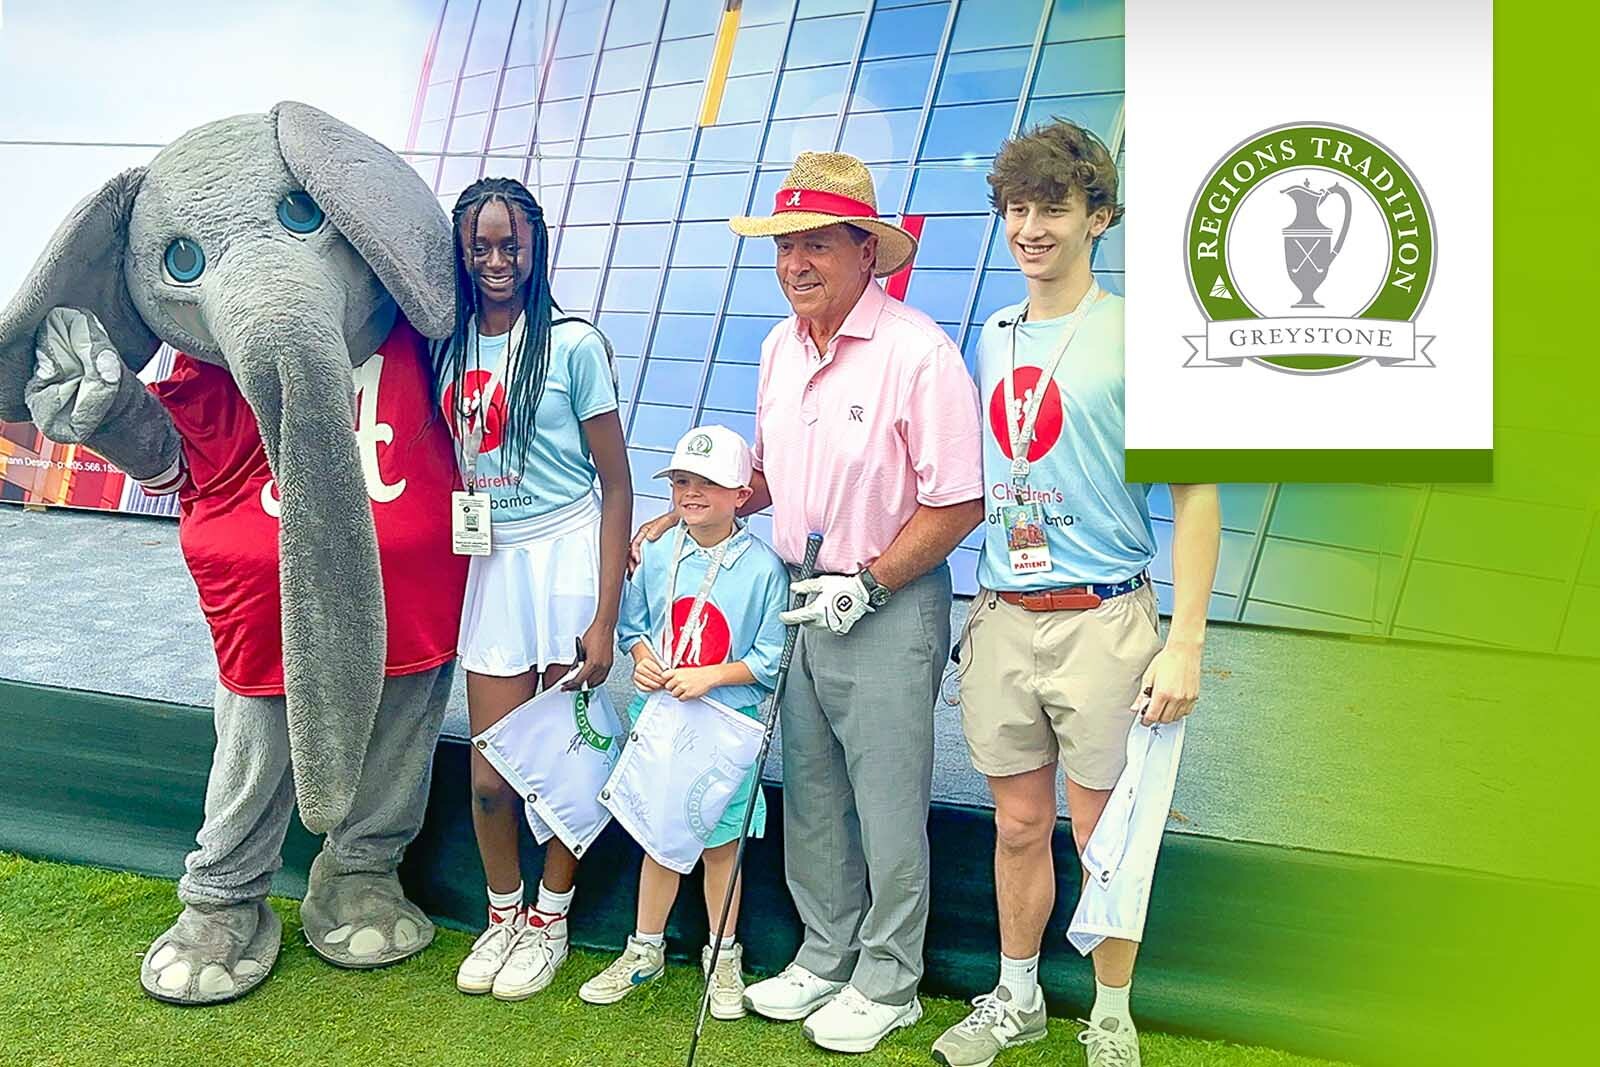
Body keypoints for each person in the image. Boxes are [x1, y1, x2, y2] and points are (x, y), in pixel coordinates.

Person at [634, 152, 984, 1054]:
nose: (797, 263)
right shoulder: (776, 347)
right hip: (797, 593)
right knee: (815, 788)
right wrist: (689, 510)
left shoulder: (920, 353)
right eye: (786, 245)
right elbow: (767, 478)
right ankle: (827, 951)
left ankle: (889, 976)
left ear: (867, 251)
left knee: (886, 793)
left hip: (887, 599)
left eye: (819, 244)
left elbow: (959, 500)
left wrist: (869, 584)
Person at [929, 121, 1221, 1067]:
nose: (1030, 227)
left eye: (1051, 208)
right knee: (1017, 822)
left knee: (1105, 833)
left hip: (1106, 616)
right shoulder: (993, 334)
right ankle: (1014, 996)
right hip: (1008, 615)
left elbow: (1197, 493)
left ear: (1099, 216)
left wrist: (1187, 641)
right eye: (1016, 209)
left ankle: (1110, 1011)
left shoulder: (1141, 335)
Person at [435, 177, 632, 1001]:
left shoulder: (576, 344)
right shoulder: (446, 345)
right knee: (491, 776)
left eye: (509, 244)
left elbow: (616, 484)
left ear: (536, 246)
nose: (495, 260)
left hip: (563, 558)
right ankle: (502, 913)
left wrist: (604, 616)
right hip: (492, 563)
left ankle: (550, 919)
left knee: (560, 766)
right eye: (480, 245)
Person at [578, 425, 789, 1021]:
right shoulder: (660, 552)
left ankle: (723, 954)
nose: (691, 493)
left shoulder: (765, 569)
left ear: (741, 493)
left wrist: (712, 676)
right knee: (658, 837)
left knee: (720, 844)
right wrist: (643, 660)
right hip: (663, 722)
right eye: (681, 482)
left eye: (708, 483)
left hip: (724, 728)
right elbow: (635, 624)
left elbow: (771, 656)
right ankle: (644, 948)